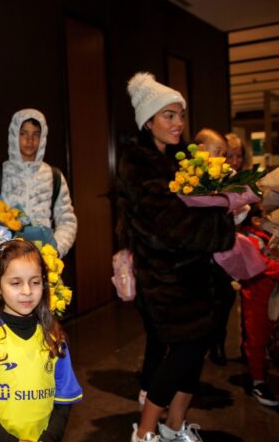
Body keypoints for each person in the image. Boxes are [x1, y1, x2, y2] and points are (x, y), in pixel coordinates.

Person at [116, 72, 236, 442]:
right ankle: (146, 430)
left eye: (180, 115)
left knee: (195, 352)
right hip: (165, 279)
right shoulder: (139, 162)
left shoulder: (177, 160)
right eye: (168, 115)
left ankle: (174, 426)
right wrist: (222, 223)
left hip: (195, 276)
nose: (178, 123)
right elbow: (172, 226)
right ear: (148, 120)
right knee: (181, 353)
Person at [0, 239, 82, 442]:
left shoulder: (54, 337)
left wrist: (48, 439)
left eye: (35, 282)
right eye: (15, 283)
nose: (27, 291)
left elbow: (64, 398)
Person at [0, 109, 77, 258]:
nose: (29, 140)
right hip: (6, 261)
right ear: (14, 135)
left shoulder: (54, 176)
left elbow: (67, 220)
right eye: (23, 133)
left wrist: (54, 250)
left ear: (43, 137)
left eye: (36, 134)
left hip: (44, 262)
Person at [193, 128, 235, 366]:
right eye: (218, 151)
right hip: (199, 256)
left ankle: (217, 342)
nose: (223, 157)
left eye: (225, 153)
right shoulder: (190, 176)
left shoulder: (225, 175)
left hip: (219, 254)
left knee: (224, 297)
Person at [239, 206, 279, 406]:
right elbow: (262, 266)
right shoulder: (250, 240)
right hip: (258, 295)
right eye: (266, 216)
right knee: (257, 338)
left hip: (269, 295)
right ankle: (258, 381)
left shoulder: (268, 235)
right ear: (255, 220)